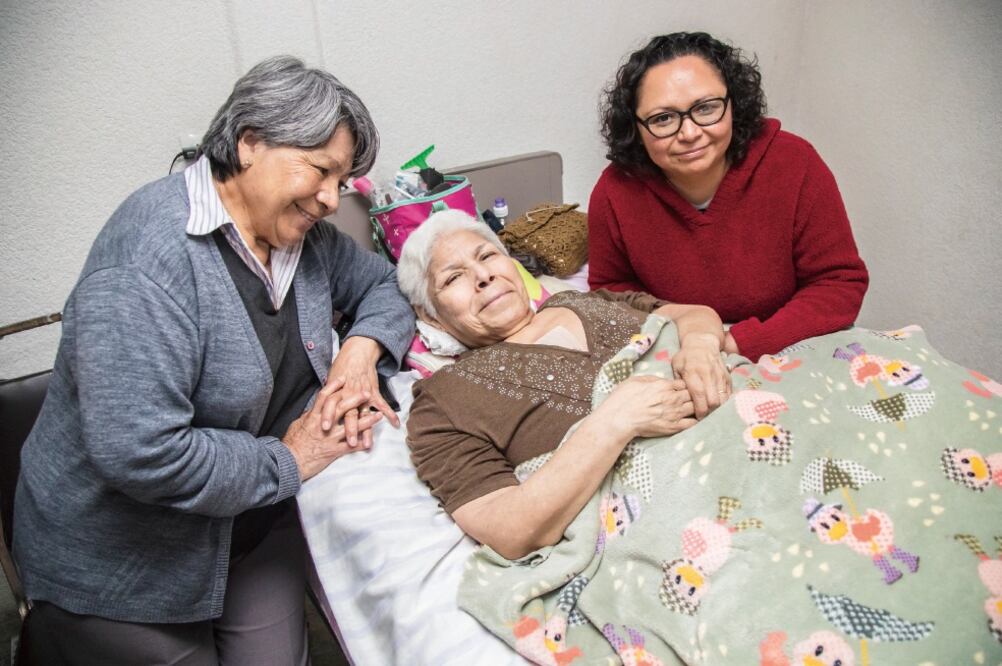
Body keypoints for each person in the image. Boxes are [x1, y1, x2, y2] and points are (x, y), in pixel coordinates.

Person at [13, 56, 414, 665]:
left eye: (344, 180)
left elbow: (385, 286)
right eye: (322, 172)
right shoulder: (146, 262)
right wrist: (291, 458)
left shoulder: (301, 240)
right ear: (250, 143)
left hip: (248, 527)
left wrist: (360, 351)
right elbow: (141, 451)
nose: (333, 200)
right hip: (127, 563)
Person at [397, 210, 729, 560]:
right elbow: (508, 532)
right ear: (431, 315)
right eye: (453, 279)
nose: (483, 276)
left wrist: (700, 346)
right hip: (687, 505)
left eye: (488, 256)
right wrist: (614, 422)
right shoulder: (444, 401)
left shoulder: (580, 299)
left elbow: (691, 315)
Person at [588, 31, 869, 362]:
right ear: (636, 128)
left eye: (706, 108)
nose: (689, 133)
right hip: (677, 350)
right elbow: (610, 293)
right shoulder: (614, 191)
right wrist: (691, 335)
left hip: (787, 345)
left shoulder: (795, 162)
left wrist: (736, 343)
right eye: (663, 118)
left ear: (734, 103)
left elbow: (839, 283)